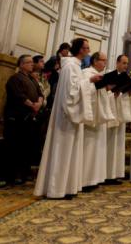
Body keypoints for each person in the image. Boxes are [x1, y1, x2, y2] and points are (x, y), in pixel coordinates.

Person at [34, 38, 101, 199]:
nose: (88, 51)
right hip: (66, 117)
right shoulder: (70, 66)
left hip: (72, 116)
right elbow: (71, 92)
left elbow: (77, 87)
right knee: (62, 152)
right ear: (80, 50)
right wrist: (90, 81)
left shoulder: (75, 66)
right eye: (86, 48)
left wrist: (88, 82)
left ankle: (67, 187)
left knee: (70, 152)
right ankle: (56, 189)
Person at [3, 55, 43, 186]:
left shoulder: (32, 79)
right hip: (17, 118)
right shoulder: (14, 78)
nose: (32, 64)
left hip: (30, 118)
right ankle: (12, 176)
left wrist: (39, 103)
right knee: (14, 147)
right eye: (29, 62)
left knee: (27, 147)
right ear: (21, 64)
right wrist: (32, 105)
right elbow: (19, 95)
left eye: (32, 62)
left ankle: (23, 174)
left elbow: (40, 94)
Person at [81, 52, 114, 191]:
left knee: (98, 148)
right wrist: (94, 83)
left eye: (106, 61)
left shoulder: (101, 74)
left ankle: (95, 178)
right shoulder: (86, 73)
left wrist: (107, 88)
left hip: (100, 116)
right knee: (88, 148)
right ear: (94, 61)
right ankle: (85, 180)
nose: (105, 63)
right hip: (91, 118)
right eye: (102, 60)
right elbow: (82, 90)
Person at [105, 54, 131, 184]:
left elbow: (128, 94)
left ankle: (115, 174)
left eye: (127, 63)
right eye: (124, 63)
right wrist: (112, 93)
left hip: (120, 114)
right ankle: (106, 174)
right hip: (110, 113)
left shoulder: (127, 78)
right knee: (109, 144)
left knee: (119, 144)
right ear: (117, 63)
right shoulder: (109, 76)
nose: (125, 66)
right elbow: (103, 93)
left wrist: (130, 93)